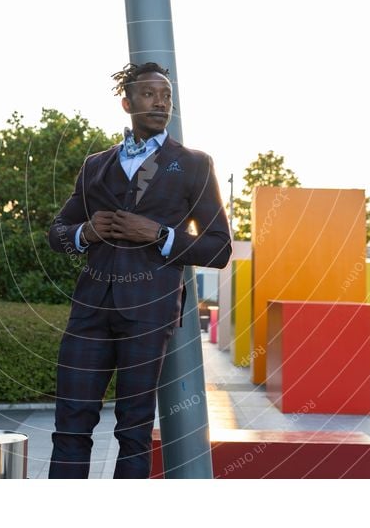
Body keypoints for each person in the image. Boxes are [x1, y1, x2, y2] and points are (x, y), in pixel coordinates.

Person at [46, 61, 232, 478]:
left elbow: (220, 248)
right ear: (127, 103)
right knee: (70, 426)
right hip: (89, 310)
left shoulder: (195, 164)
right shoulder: (95, 164)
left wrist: (161, 234)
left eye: (166, 95)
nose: (161, 102)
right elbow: (55, 233)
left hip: (149, 313)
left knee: (134, 430)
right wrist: (85, 233)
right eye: (149, 94)